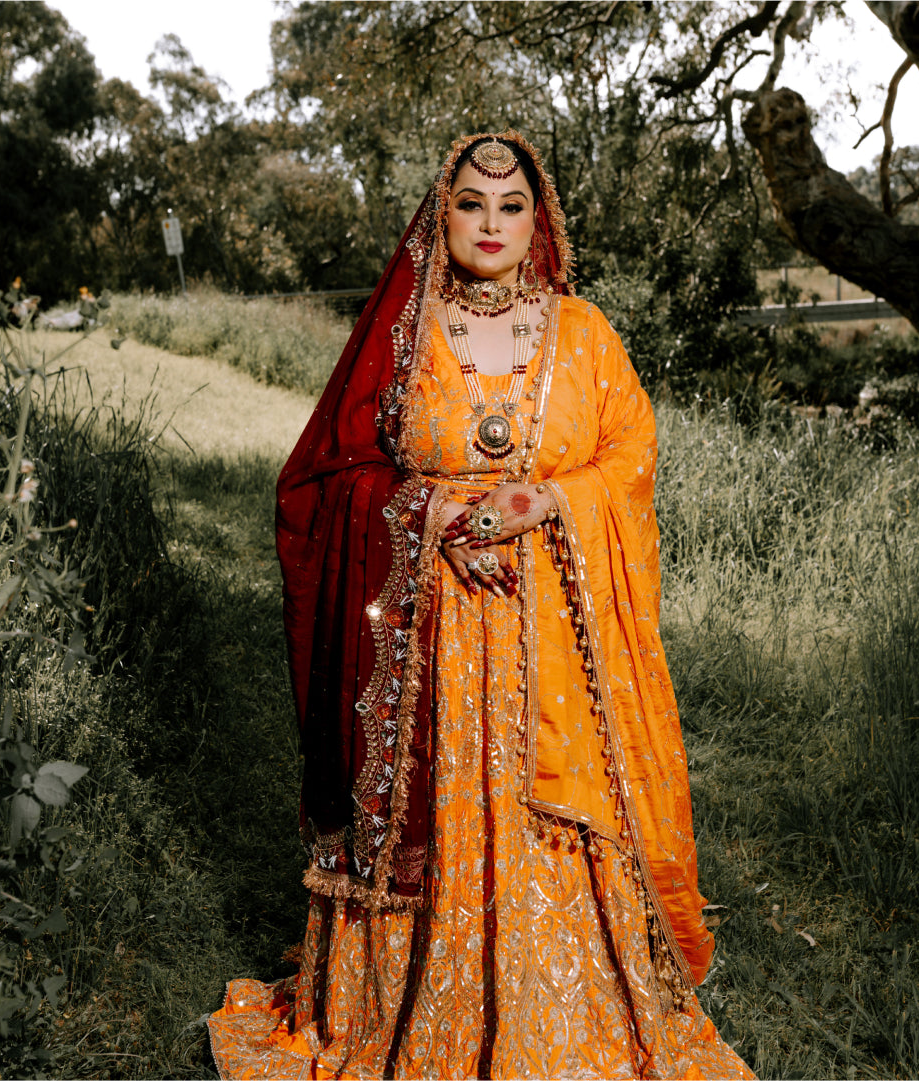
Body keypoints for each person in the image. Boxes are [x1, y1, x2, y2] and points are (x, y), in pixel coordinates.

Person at [208, 131, 754, 1080]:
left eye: (511, 206)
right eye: (471, 203)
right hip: (433, 634)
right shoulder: (401, 333)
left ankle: (573, 1009)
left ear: (539, 219)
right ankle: (414, 1003)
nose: (491, 222)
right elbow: (324, 478)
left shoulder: (583, 333)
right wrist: (434, 511)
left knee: (561, 814)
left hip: (555, 627)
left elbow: (627, 458)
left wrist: (546, 499)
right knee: (443, 806)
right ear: (441, 212)